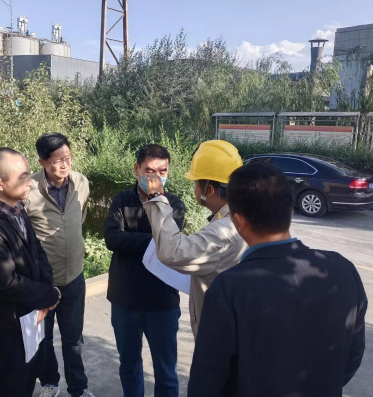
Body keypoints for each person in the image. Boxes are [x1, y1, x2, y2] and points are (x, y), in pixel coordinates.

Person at [188, 162, 368, 397]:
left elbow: (206, 383)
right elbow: (353, 355)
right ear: (289, 210)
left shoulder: (229, 288)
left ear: (239, 221)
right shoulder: (343, 269)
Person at [0, 148, 61, 397]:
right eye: (22, 176)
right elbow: (5, 283)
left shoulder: (16, 207)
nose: (30, 182)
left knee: (26, 384)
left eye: (28, 174)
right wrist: (49, 296)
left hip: (30, 322)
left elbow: (38, 252)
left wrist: (46, 293)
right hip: (7, 333)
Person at [104, 144, 186, 397]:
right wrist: (154, 241)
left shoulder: (174, 204)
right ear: (136, 169)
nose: (156, 177)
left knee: (166, 373)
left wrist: (156, 201)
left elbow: (169, 245)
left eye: (162, 171)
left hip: (162, 301)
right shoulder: (122, 200)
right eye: (149, 170)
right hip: (124, 300)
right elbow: (112, 239)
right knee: (129, 367)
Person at [143, 140, 247, 337]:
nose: (194, 189)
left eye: (196, 183)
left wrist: (156, 198)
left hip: (219, 334)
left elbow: (172, 251)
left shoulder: (223, 231)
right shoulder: (239, 217)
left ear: (209, 190)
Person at [25, 133, 94, 397]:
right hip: (42, 283)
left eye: (68, 158)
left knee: (74, 340)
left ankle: (79, 388)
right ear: (42, 162)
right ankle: (50, 383)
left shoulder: (80, 182)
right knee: (43, 339)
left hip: (74, 277)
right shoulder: (29, 191)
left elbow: (80, 217)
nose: (64, 164)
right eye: (57, 160)